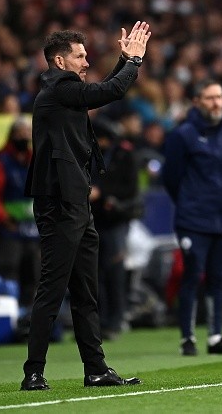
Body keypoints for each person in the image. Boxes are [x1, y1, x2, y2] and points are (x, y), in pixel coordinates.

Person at [21, 21, 151, 390]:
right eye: (79, 56)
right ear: (60, 61)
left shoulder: (62, 90)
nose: (85, 60)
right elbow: (108, 92)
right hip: (61, 202)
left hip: (75, 200)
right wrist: (134, 62)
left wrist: (125, 60)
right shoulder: (58, 89)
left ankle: (95, 368)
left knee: (84, 290)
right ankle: (33, 372)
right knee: (53, 286)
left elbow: (100, 91)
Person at [162, 79, 222, 356]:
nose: (217, 103)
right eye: (210, 98)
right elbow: (171, 178)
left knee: (219, 278)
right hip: (194, 220)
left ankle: (216, 336)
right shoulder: (182, 135)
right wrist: (189, 204)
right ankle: (188, 337)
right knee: (192, 276)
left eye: (219, 97)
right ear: (197, 102)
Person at [89, 118, 140, 341]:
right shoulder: (92, 154)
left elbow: (131, 188)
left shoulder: (124, 155)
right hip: (94, 219)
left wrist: (104, 192)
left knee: (114, 271)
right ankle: (100, 321)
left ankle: (116, 319)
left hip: (116, 220)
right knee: (96, 274)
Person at [0, 117, 39, 311]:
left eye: (27, 134)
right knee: (10, 270)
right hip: (9, 229)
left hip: (34, 229)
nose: (24, 137)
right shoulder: (0, 160)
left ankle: (32, 317)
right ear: (12, 136)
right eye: (20, 134)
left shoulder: (36, 158)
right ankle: (10, 314)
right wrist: (5, 219)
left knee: (35, 273)